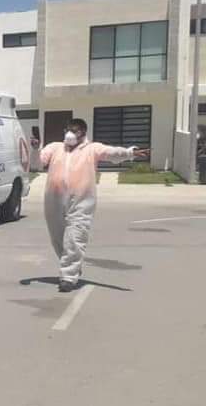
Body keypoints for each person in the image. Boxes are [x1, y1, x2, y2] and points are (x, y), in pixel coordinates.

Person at [33, 118, 148, 292]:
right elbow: (38, 162)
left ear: (83, 134)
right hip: (53, 200)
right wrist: (35, 148)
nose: (70, 134)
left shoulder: (92, 149)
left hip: (81, 201)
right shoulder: (55, 147)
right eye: (68, 130)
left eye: (75, 131)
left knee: (75, 237)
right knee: (58, 238)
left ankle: (68, 277)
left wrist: (130, 153)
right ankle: (73, 265)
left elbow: (111, 153)